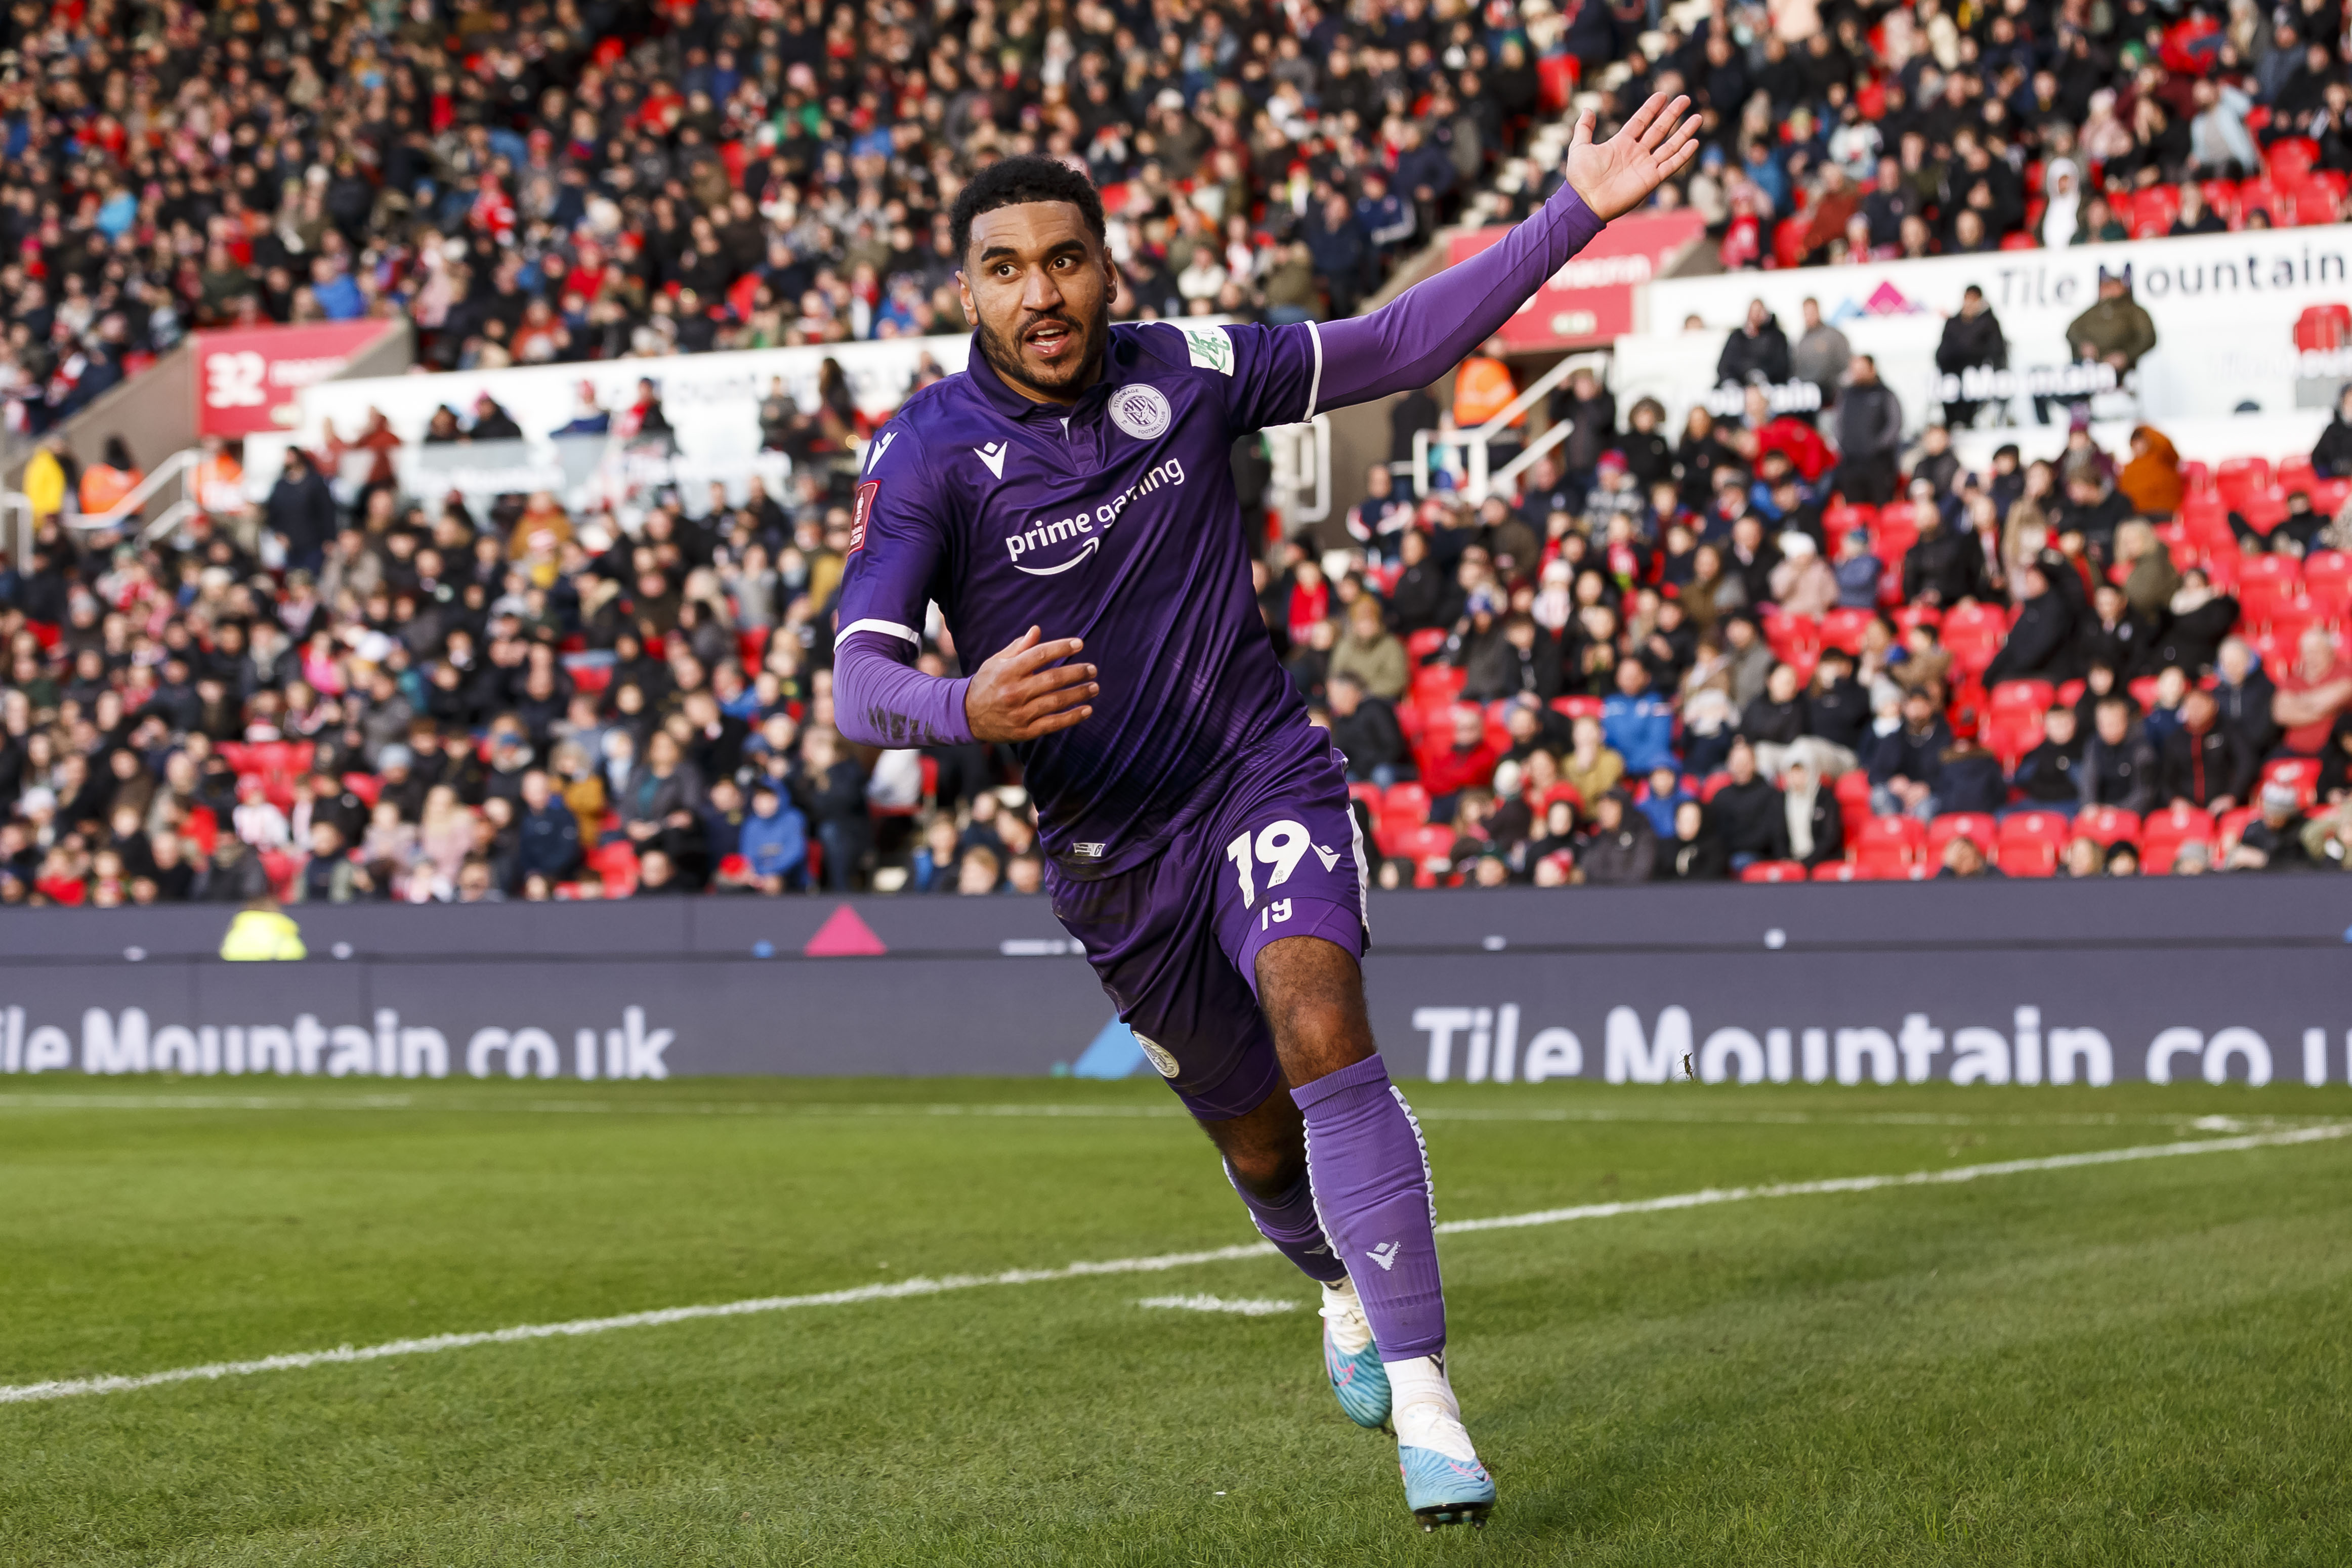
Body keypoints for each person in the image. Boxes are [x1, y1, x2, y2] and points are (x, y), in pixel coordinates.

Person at [828, 114, 1702, 1528]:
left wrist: (1573, 212)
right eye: (1005, 268)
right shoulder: (927, 453)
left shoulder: (1194, 368)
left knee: (1319, 1017)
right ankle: (1340, 1284)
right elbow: (856, 676)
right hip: (1115, 857)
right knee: (1253, 1144)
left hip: (1259, 770)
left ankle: (1429, 1403)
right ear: (968, 292)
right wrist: (960, 705)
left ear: (1110, 272)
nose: (1040, 293)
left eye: (1066, 261)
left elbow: (1405, 345)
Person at [1831, 355, 1903, 505]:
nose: (1858, 373)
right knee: (1855, 511)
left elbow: (1895, 424)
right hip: (1851, 463)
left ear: (1872, 369)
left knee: (1882, 507)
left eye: (1862, 369)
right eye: (1855, 370)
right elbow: (1837, 423)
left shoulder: (1885, 394)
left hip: (1879, 464)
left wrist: (1877, 447)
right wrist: (1845, 446)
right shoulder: (1845, 395)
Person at [2272, 626, 2352, 756]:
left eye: (2317, 651)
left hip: (2332, 749)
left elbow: (2337, 698)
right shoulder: (2294, 678)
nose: (2311, 657)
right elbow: (2280, 714)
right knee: (2266, 768)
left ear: (2330, 651)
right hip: (2293, 748)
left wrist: (2296, 702)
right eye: (2307, 652)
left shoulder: (2346, 671)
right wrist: (2328, 712)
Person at [1935, 285, 2006, 428]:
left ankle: (1966, 420)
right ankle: (1952, 422)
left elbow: (1996, 350)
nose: (1969, 303)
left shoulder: (1989, 322)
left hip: (1978, 368)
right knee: (1949, 384)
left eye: (1973, 300)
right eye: (1967, 299)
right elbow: (1943, 350)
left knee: (1970, 378)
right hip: (1953, 368)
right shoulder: (1954, 322)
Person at [2066, 267, 2158, 375]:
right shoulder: (2093, 310)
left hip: (2120, 370)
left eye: (2111, 285)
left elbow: (2148, 337)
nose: (2106, 289)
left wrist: (2126, 356)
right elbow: (2071, 331)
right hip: (2089, 368)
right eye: (2104, 285)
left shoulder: (2134, 311)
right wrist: (2083, 344)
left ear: (2121, 286)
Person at [2079, 697, 2158, 815]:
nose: (2108, 729)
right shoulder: (2093, 744)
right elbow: (2088, 781)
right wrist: (2090, 805)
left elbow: (2145, 792)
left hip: (2132, 813)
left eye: (2114, 723)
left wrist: (2117, 810)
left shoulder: (2142, 749)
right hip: (2100, 811)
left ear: (2125, 721)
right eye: (2103, 724)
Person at [1717, 298, 1792, 387]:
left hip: (1768, 386)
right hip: (1739, 385)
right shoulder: (1737, 337)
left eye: (1759, 312)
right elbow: (1724, 365)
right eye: (1754, 312)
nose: (1756, 316)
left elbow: (1781, 366)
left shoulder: (1777, 338)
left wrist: (1763, 374)